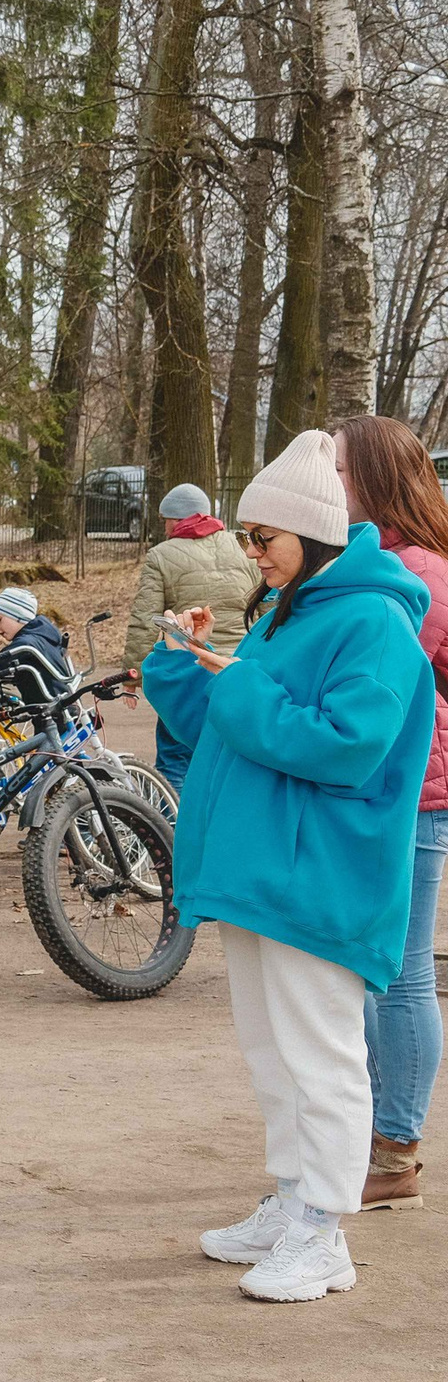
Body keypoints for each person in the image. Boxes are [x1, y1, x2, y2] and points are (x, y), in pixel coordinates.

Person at [143, 430, 432, 1303]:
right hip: (264, 874)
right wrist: (181, 657)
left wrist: (236, 682)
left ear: (313, 534)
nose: (248, 553)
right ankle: (294, 1199)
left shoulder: (372, 621)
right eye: (244, 535)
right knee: (273, 1052)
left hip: (321, 878)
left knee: (321, 1054)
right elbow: (223, 720)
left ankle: (324, 1229)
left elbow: (347, 746)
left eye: (262, 537)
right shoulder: (290, 612)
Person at [332, 414, 448, 1211]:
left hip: (417, 797)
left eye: (338, 471)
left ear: (374, 480)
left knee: (400, 976)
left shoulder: (415, 574)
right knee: (380, 973)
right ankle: (379, 1131)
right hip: (396, 793)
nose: (328, 485)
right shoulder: (392, 563)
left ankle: (398, 1148)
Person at [124, 482, 256, 785]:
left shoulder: (160, 555)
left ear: (175, 519)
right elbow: (264, 609)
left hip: (191, 668)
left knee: (175, 758)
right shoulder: (241, 547)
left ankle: (170, 828)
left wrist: (133, 677)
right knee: (234, 756)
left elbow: (145, 621)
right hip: (239, 667)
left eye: (166, 519)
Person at [0, 584, 76, 706]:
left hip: (56, 707)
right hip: (47, 707)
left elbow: (21, 648)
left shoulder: (33, 639)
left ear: (19, 616)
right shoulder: (41, 634)